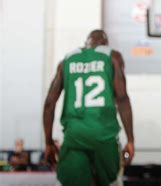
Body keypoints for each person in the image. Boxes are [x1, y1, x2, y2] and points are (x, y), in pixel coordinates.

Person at [43, 29, 135, 186]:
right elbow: (122, 99)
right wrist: (130, 140)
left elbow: (49, 104)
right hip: (104, 134)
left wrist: (48, 142)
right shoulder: (113, 56)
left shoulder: (66, 61)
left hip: (75, 135)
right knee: (112, 182)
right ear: (105, 44)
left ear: (86, 43)